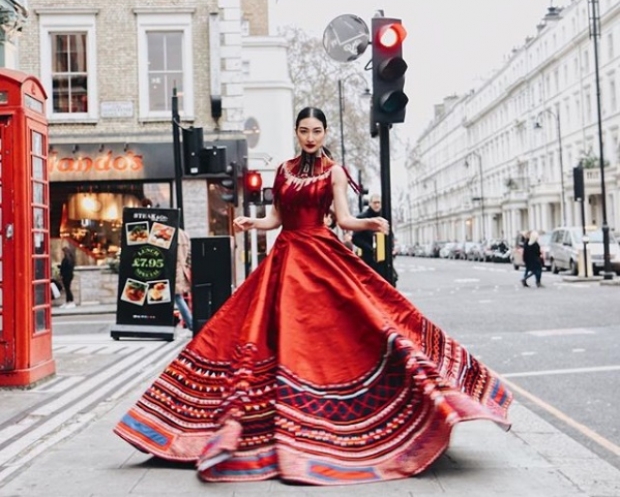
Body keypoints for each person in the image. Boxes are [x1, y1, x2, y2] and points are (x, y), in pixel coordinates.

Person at [114, 107, 512, 486]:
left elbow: (341, 219)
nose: (310, 137)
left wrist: (368, 223)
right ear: (296, 133)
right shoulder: (283, 171)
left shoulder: (334, 171)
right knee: (259, 332)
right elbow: (276, 219)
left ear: (324, 134)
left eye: (316, 131)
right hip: (285, 256)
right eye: (304, 131)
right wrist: (255, 222)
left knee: (365, 320)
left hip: (319, 253)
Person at [352, 194, 382, 272]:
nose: (377, 205)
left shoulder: (384, 216)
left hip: (383, 258)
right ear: (370, 204)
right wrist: (370, 249)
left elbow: (390, 234)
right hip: (368, 258)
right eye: (375, 203)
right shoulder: (362, 218)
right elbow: (355, 238)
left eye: (378, 203)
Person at [175, 228, 193, 331]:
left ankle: (190, 323)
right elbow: (190, 254)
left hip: (174, 271)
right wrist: (187, 265)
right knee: (178, 297)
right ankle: (190, 323)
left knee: (177, 297)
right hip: (181, 270)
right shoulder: (184, 234)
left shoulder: (169, 232)